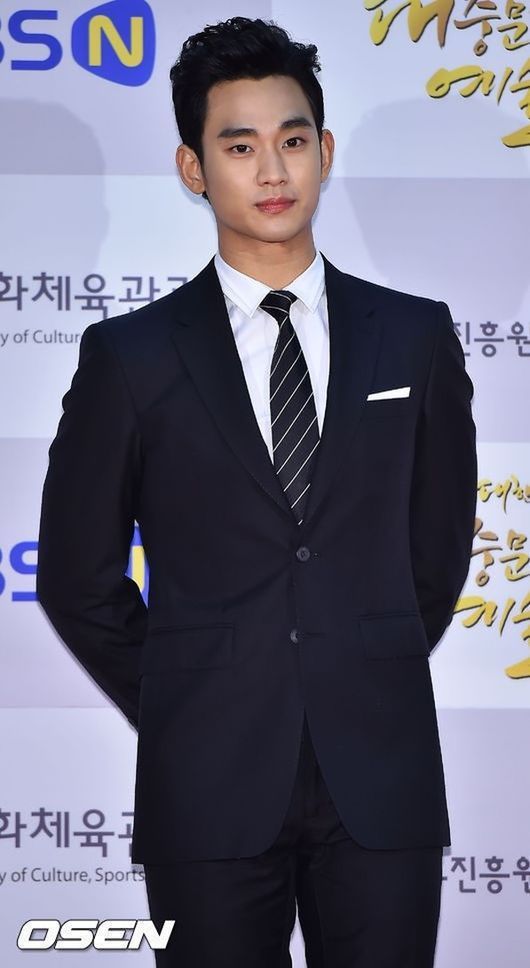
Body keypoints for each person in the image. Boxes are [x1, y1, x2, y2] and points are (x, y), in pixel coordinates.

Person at [36, 15, 478, 968]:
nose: (272, 170)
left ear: (325, 151)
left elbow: (437, 549)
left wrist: (361, 658)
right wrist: (187, 693)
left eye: (292, 141)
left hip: (382, 775)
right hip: (206, 783)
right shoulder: (130, 357)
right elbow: (76, 577)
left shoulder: (414, 337)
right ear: (193, 168)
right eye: (239, 146)